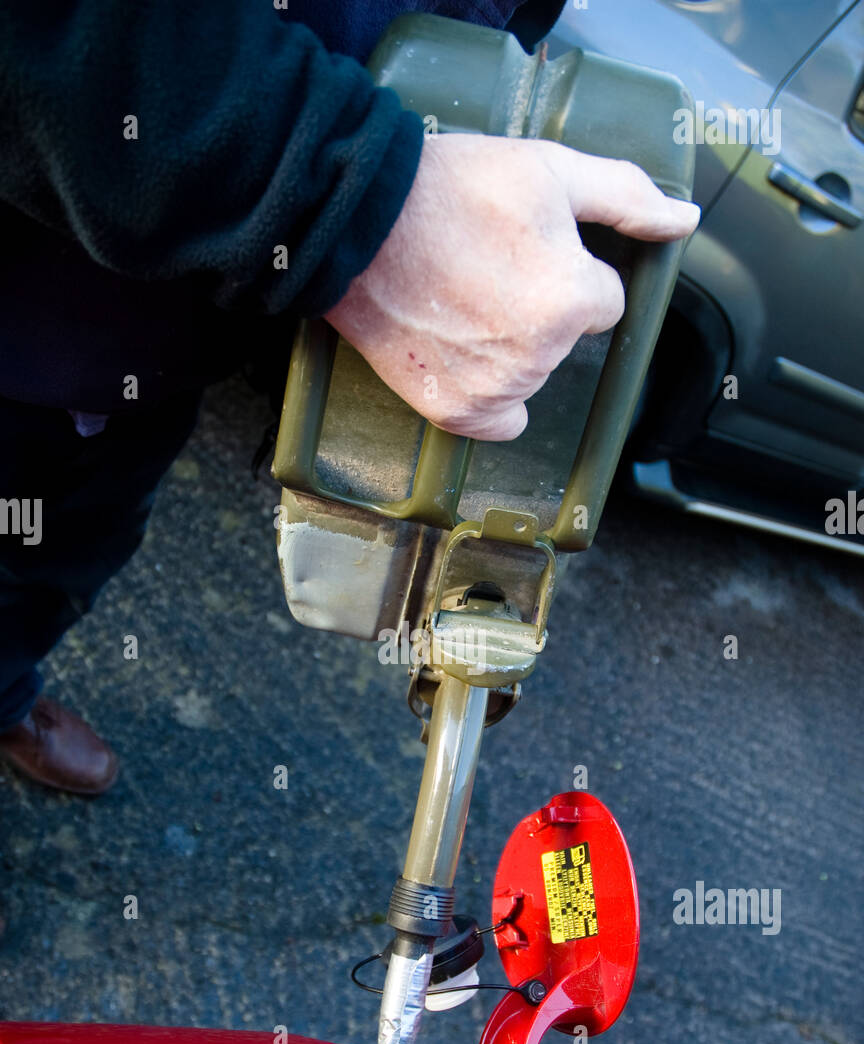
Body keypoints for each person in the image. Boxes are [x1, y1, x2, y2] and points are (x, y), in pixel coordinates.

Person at [0, 1, 698, 795]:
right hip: (25, 286)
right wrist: (356, 208)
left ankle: (6, 691)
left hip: (171, 341)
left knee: (68, 556)